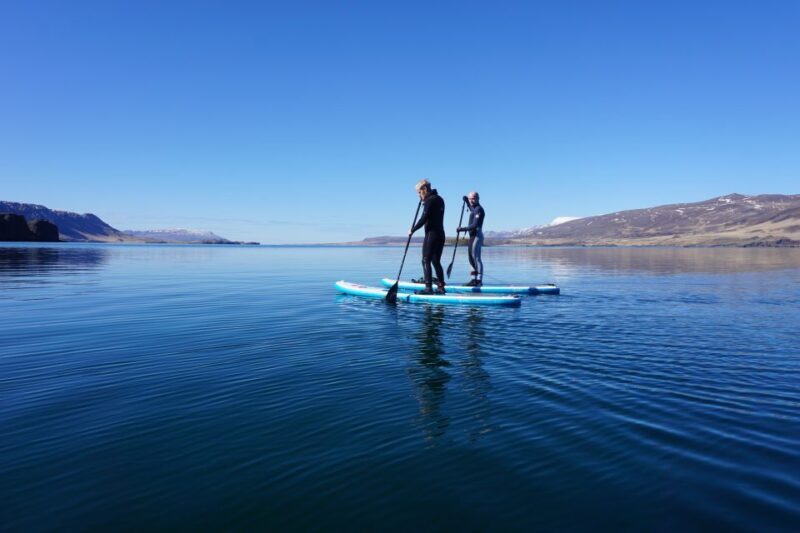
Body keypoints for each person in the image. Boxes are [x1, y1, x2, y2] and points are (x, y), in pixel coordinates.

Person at [409, 179, 446, 294]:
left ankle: (428, 288)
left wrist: (412, 230)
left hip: (432, 235)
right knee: (436, 261)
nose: (418, 195)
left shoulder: (430, 201)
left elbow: (423, 219)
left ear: (424, 189)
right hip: (441, 234)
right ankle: (441, 286)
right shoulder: (440, 199)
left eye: (419, 192)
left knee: (425, 260)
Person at [457, 191, 485, 286]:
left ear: (477, 198)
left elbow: (475, 224)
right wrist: (466, 201)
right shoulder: (474, 208)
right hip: (472, 236)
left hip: (477, 235)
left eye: (473, 198)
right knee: (470, 258)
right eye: (470, 198)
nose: (471, 200)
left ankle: (479, 280)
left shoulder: (479, 209)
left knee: (476, 258)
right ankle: (473, 279)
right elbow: (471, 207)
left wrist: (462, 229)